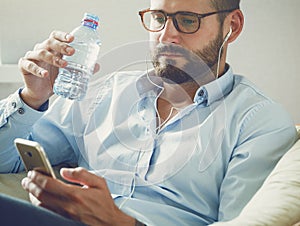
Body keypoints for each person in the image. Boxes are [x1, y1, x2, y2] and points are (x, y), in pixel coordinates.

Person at [0, 0, 297, 225]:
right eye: (158, 18)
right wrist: (32, 98)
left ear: (232, 26)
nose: (167, 36)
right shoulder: (107, 92)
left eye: (187, 20)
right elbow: (5, 160)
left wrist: (122, 223)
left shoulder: (258, 121)